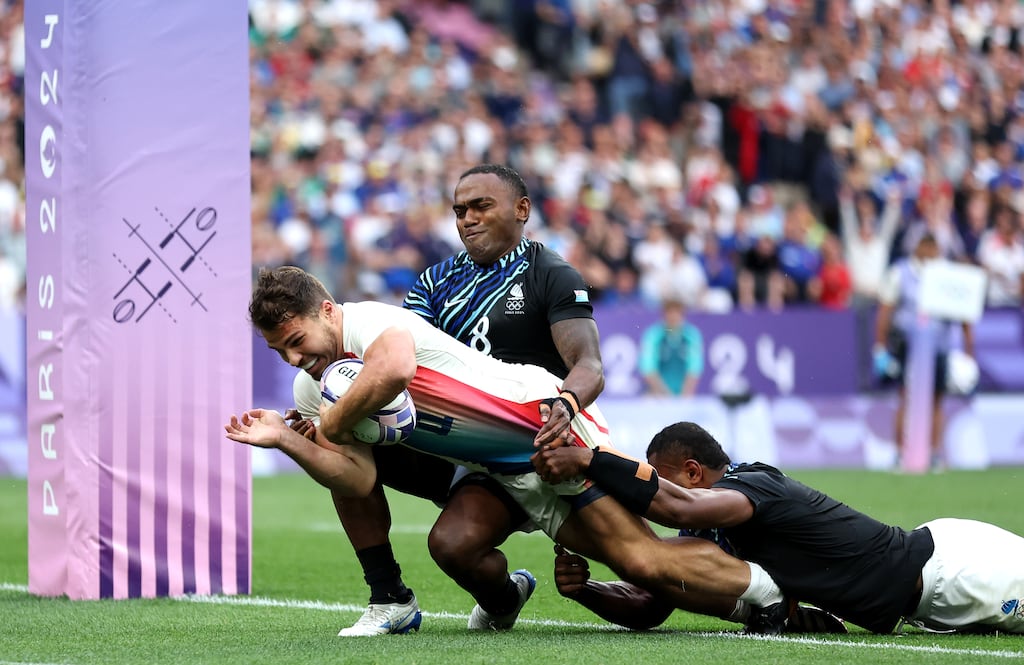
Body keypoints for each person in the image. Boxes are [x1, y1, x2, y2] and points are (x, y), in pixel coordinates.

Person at [226, 267, 795, 633]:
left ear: (326, 312)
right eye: (280, 353)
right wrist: (285, 439)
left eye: (297, 342)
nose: (295, 361)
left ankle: (767, 589)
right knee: (621, 561)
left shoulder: (371, 323)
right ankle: (751, 603)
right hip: (504, 470)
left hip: (543, 424)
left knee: (641, 560)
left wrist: (331, 420)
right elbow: (353, 481)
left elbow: (395, 370)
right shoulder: (312, 387)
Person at [322, 163, 608, 635]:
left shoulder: (552, 274)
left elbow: (589, 365)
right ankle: (395, 597)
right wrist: (329, 404)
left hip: (527, 447)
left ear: (522, 210)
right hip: (451, 443)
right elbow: (398, 360)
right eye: (459, 210)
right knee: (337, 435)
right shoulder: (434, 282)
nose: (467, 219)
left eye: (481, 206)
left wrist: (568, 403)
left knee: (638, 557)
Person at [532, 422, 1024, 634]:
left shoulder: (755, 485)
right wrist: (588, 593)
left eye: (664, 475)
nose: (661, 487)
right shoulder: (713, 531)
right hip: (931, 594)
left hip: (955, 569)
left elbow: (677, 508)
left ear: (693, 472)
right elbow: (653, 603)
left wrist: (591, 460)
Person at [873, 234, 976, 469]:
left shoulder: (947, 274)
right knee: (905, 396)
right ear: (918, 248)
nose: (931, 252)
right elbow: (885, 311)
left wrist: (969, 351)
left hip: (938, 346)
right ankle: (900, 452)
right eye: (927, 247)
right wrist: (879, 347)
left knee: (938, 399)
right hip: (907, 346)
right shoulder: (900, 272)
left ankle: (934, 452)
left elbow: (964, 315)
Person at [637, 297, 704, 397]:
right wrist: (666, 396)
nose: (673, 317)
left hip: (683, 395)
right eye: (670, 313)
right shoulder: (653, 334)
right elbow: (648, 369)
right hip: (657, 395)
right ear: (664, 315)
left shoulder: (692, 335)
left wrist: (684, 396)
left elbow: (694, 369)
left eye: (677, 313)